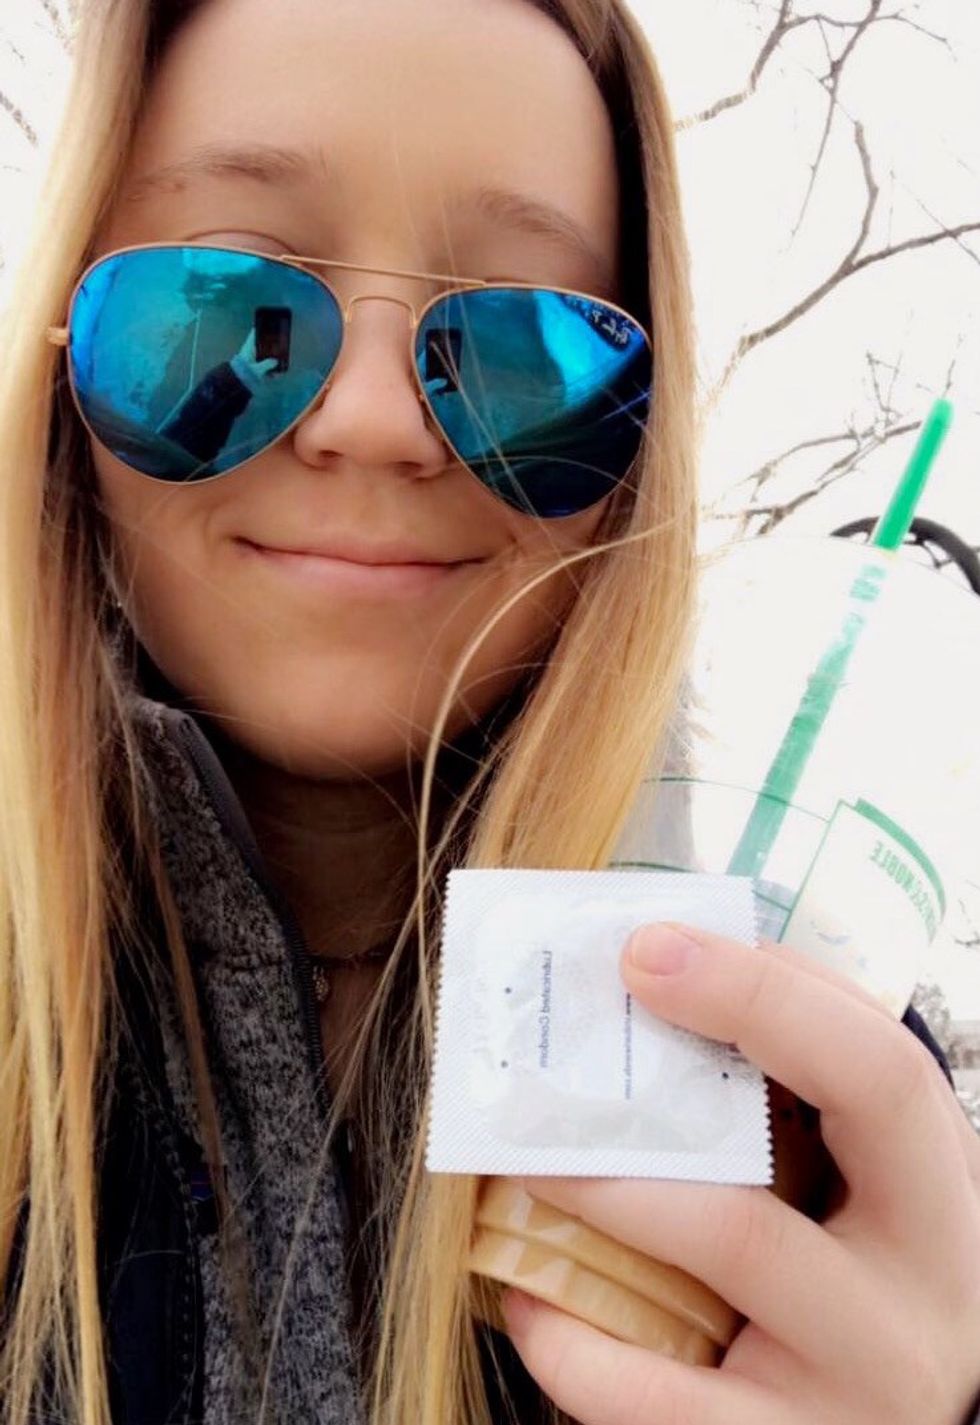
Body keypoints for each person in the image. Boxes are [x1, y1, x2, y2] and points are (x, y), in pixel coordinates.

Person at [0, 0, 977, 1422]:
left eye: (523, 351)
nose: (373, 419)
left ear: (638, 458)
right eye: (225, 311)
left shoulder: (825, 1101)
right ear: (60, 364)